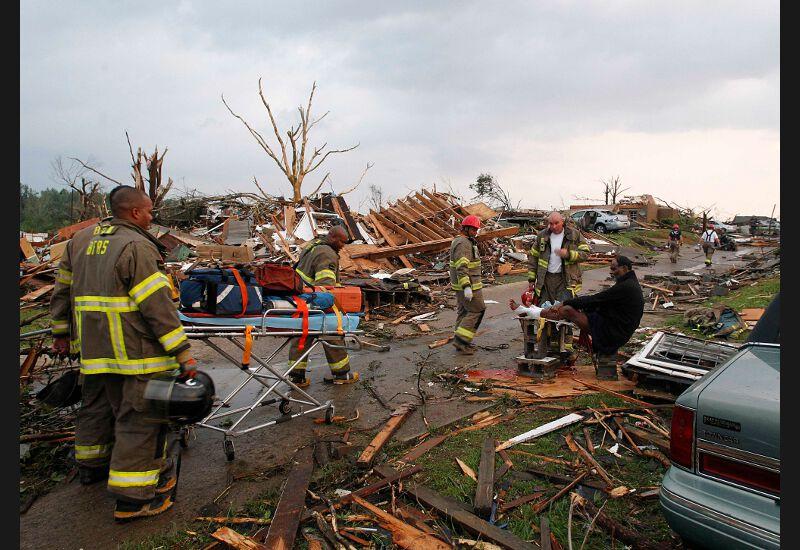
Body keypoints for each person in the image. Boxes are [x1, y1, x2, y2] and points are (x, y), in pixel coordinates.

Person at [49, 186, 193, 522]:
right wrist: (183, 352)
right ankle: (133, 500)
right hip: (135, 351)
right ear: (133, 212)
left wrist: (60, 333)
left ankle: (93, 466)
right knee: (140, 420)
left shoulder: (80, 241)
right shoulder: (136, 245)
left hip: (95, 350)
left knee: (100, 408)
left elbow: (62, 290)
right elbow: (157, 306)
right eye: (148, 210)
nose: (152, 216)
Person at [532, 256, 644, 380]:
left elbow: (596, 299)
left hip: (615, 330)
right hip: (618, 325)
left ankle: (539, 314)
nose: (611, 272)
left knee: (567, 310)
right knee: (576, 308)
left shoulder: (626, 286)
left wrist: (564, 303)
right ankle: (543, 315)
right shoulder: (629, 283)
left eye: (614, 269)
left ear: (624, 268)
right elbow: (602, 302)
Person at [288, 225, 359, 385]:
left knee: (302, 337)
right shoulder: (327, 254)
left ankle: (296, 377)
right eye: (342, 242)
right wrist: (334, 308)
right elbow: (325, 287)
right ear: (333, 237)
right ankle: (342, 375)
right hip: (316, 302)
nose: (343, 246)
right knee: (333, 334)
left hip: (302, 302)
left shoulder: (313, 246)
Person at [526, 211, 591, 361]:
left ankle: (565, 349)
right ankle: (546, 345)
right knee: (544, 312)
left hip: (566, 280)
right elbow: (533, 257)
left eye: (556, 223)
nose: (553, 226)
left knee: (565, 312)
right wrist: (531, 279)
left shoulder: (574, 234)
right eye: (550, 223)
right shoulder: (542, 236)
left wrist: (568, 254)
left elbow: (586, 253)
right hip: (545, 280)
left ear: (563, 222)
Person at [450, 215, 486, 355]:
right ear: (466, 228)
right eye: (474, 229)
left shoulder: (462, 241)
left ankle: (460, 341)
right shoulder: (463, 243)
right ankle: (461, 341)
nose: (476, 232)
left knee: (464, 312)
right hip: (470, 286)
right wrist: (466, 287)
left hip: (465, 285)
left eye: (477, 230)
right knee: (478, 310)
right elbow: (462, 267)